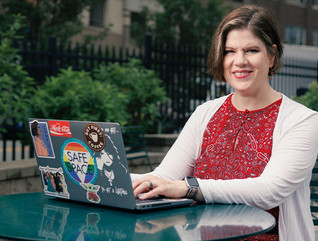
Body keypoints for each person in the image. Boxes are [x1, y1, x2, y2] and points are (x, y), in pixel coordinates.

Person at [131, 4, 318, 241]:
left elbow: (269, 191)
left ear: (272, 56)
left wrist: (190, 188)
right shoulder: (205, 113)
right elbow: (164, 178)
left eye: (251, 50)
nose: (239, 61)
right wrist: (102, 177)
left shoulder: (302, 120)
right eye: (230, 51)